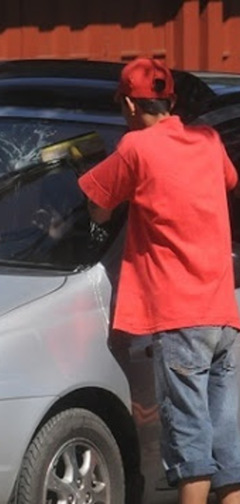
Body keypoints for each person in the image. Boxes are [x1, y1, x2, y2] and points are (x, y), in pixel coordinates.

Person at [78, 58, 240, 504]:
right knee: (227, 452)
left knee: (190, 447)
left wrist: (96, 228)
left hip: (180, 316)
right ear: (170, 100)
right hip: (224, 314)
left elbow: (97, 204)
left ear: (130, 103)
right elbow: (229, 180)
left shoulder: (135, 148)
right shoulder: (207, 142)